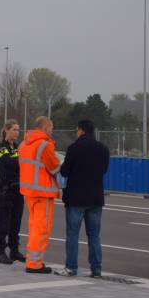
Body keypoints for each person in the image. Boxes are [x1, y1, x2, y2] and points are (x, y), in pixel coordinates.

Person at [55, 119, 110, 278]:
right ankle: (96, 270)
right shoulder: (103, 149)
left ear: (80, 130)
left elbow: (64, 171)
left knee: (73, 234)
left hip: (76, 198)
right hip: (95, 198)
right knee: (94, 235)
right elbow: (104, 169)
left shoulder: (74, 148)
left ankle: (71, 268)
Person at [18, 116, 61, 274]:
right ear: (44, 128)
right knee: (41, 229)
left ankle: (31, 260)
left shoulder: (23, 144)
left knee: (33, 227)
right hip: (43, 192)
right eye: (51, 128)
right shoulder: (45, 145)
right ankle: (34, 263)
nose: (52, 131)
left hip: (28, 192)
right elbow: (55, 168)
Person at [0, 119, 25, 264]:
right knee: (3, 222)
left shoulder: (19, 147)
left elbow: (21, 164)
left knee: (16, 222)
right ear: (6, 130)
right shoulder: (1, 147)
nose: (17, 132)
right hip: (5, 190)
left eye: (18, 130)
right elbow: (9, 164)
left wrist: (21, 162)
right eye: (14, 129)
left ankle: (14, 250)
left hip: (19, 189)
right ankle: (0, 252)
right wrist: (22, 162)